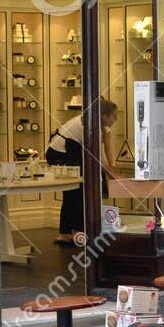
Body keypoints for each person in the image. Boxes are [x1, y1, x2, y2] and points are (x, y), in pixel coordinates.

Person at [47, 98, 120, 243]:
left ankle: (69, 233)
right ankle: (72, 233)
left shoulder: (100, 126)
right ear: (104, 115)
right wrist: (112, 175)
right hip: (59, 154)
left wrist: (112, 168)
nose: (116, 119)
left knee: (76, 193)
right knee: (76, 192)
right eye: (114, 116)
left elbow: (107, 149)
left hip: (72, 153)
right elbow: (98, 157)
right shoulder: (90, 127)